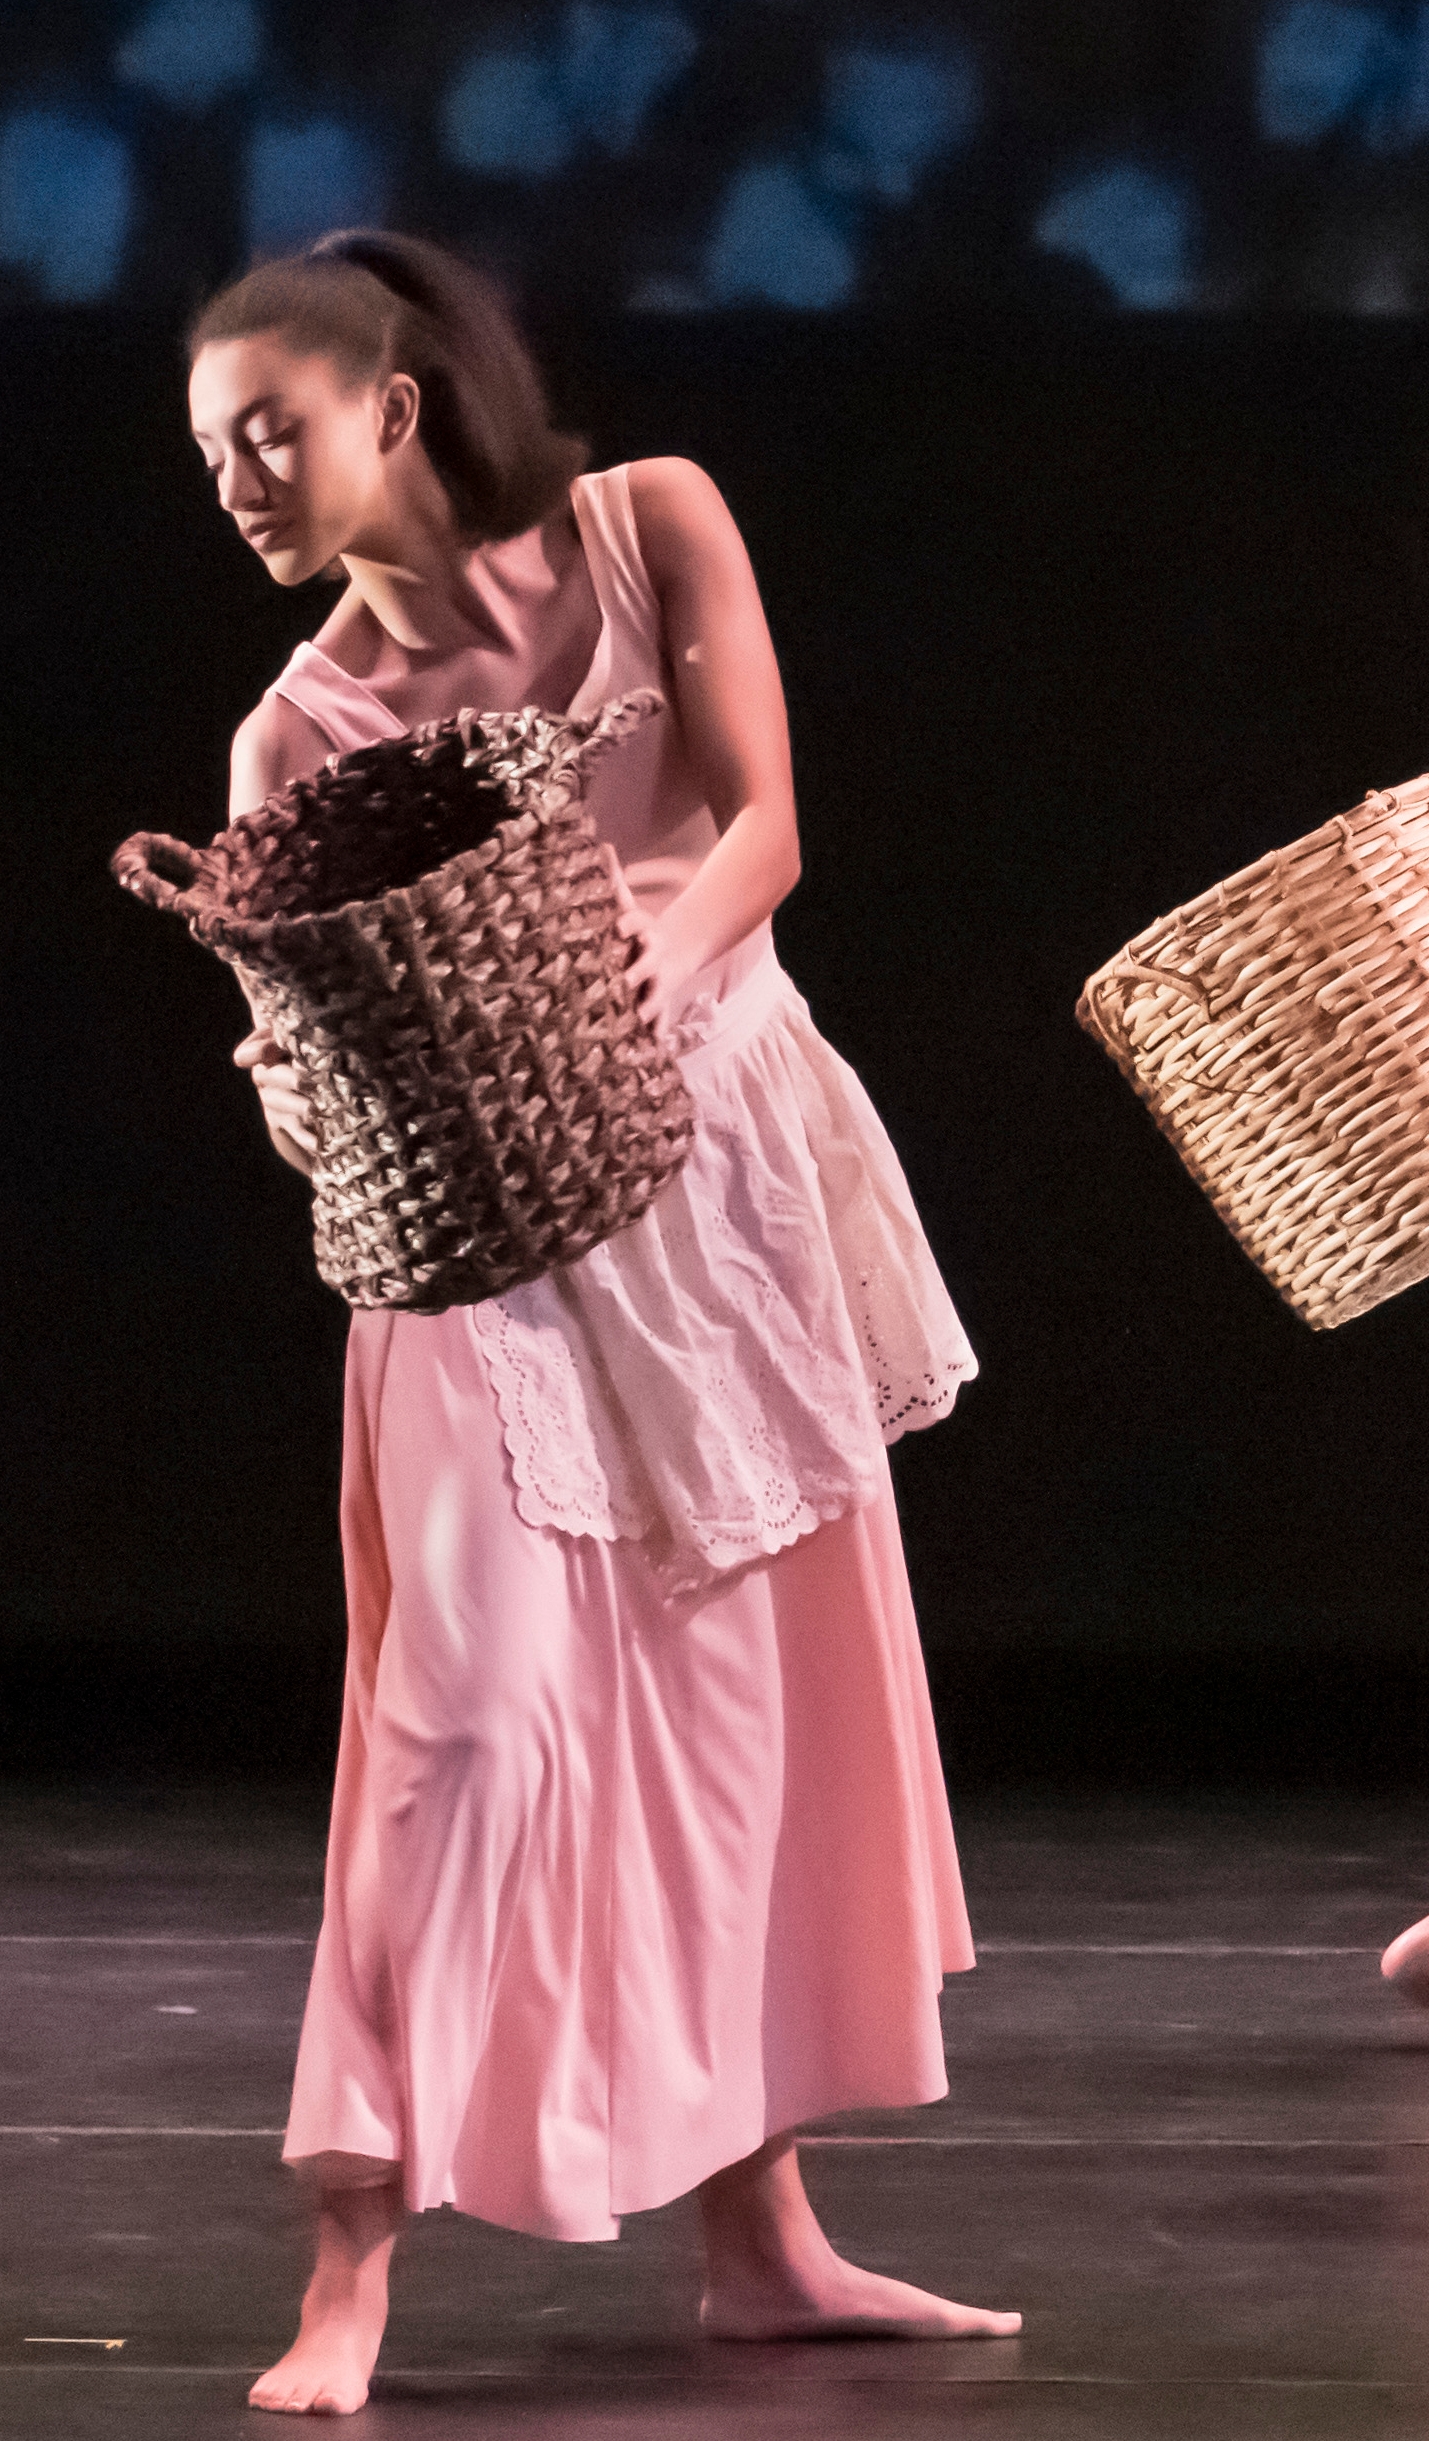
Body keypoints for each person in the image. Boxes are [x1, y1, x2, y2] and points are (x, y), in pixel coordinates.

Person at [184, 232, 1008, 2414]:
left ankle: (766, 2236)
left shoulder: (651, 523)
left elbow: (762, 828)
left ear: (398, 405)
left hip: (719, 1176)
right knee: (458, 1729)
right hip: (496, 1263)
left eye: (271, 430)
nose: (243, 481)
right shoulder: (302, 730)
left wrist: (611, 992)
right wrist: (336, 1108)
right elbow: (292, 1063)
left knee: (743, 1709)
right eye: (213, 454)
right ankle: (350, 2254)